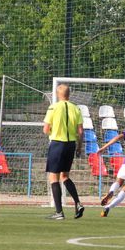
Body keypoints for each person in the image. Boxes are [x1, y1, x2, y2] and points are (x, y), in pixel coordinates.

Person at [43, 84, 84, 220]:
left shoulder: (53, 107)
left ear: (57, 94)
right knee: (65, 176)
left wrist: (53, 131)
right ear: (69, 94)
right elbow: (80, 131)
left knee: (53, 177)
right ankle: (78, 203)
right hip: (70, 145)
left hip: (57, 144)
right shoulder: (76, 108)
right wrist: (79, 146)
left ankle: (59, 212)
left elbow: (46, 129)